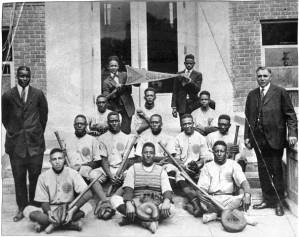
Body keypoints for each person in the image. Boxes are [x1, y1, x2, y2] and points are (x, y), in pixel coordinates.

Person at [244, 66, 297, 216]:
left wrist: (292, 134)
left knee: (276, 171)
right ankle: (267, 199)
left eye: (264, 76)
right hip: (258, 140)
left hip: (275, 139)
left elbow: (291, 115)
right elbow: (248, 118)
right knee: (263, 171)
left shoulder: (280, 92)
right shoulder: (252, 95)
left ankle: (279, 202)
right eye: (259, 76)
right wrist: (247, 137)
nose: (261, 78)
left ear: (270, 77)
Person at [2, 66, 48, 222]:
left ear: (30, 77)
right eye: (21, 76)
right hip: (16, 146)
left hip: (35, 144)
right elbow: (5, 119)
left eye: (27, 76)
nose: (24, 79)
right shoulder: (8, 96)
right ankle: (21, 208)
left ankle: (33, 207)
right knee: (19, 178)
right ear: (17, 76)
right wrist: (16, 133)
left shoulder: (38, 94)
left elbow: (44, 117)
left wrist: (35, 132)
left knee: (35, 177)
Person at [23, 148, 93, 232]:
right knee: (28, 210)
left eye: (60, 158)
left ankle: (46, 225)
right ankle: (69, 225)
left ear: (64, 160)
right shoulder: (43, 176)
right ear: (50, 162)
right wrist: (49, 213)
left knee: (87, 207)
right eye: (54, 159)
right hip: (51, 209)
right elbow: (43, 200)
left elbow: (88, 193)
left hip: (68, 209)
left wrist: (72, 211)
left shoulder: (73, 173)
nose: (57, 162)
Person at [110, 142, 174, 233]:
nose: (148, 155)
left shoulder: (161, 170)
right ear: (142, 154)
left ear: (154, 155)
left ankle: (135, 219)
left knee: (172, 209)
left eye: (151, 153)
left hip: (155, 202)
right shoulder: (133, 168)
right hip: (137, 203)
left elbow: (167, 189)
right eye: (146, 152)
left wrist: (167, 201)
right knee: (114, 199)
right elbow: (128, 188)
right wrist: (128, 203)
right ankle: (146, 222)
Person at [64, 114, 115, 219]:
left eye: (81, 124)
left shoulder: (92, 140)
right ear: (74, 125)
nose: (79, 126)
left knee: (88, 173)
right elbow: (63, 159)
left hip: (86, 169)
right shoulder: (67, 139)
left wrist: (80, 167)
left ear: (86, 125)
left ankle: (105, 202)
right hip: (70, 170)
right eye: (77, 124)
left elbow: (97, 161)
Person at [197, 141, 251, 223]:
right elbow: (202, 188)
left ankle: (215, 215)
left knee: (245, 196)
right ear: (213, 152)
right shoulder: (207, 166)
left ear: (226, 152)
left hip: (229, 199)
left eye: (221, 151)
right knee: (200, 194)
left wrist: (247, 195)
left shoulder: (233, 164)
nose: (219, 154)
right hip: (213, 199)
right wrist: (204, 200)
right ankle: (233, 215)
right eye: (216, 151)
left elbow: (244, 182)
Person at [97, 111, 135, 186]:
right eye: (111, 121)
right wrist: (110, 175)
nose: (114, 123)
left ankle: (122, 195)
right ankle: (103, 197)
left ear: (119, 122)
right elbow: (103, 160)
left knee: (132, 175)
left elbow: (127, 160)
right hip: (107, 169)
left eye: (116, 121)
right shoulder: (102, 138)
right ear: (108, 123)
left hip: (122, 169)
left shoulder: (127, 138)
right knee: (93, 175)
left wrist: (120, 173)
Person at [102, 55, 138, 134]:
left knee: (126, 130)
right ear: (108, 67)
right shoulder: (106, 82)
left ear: (118, 66)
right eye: (111, 66)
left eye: (115, 65)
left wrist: (137, 74)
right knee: (115, 130)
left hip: (127, 107)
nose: (113, 67)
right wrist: (115, 91)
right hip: (115, 108)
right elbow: (105, 97)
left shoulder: (124, 75)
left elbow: (137, 84)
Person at [171, 54, 202, 120]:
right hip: (182, 103)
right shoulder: (179, 74)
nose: (189, 65)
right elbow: (175, 91)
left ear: (194, 64)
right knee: (183, 125)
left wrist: (190, 81)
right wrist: (174, 107)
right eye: (187, 63)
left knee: (193, 124)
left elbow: (197, 89)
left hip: (193, 103)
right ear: (184, 63)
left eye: (191, 63)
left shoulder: (198, 75)